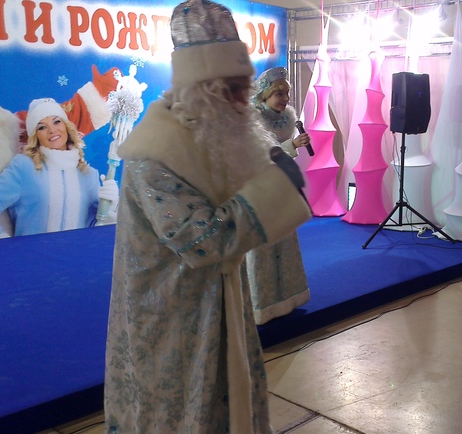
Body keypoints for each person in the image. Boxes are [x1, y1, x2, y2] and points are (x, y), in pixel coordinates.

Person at [102, 1, 311, 433]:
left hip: (217, 302)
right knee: (180, 414)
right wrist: (276, 188)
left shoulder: (211, 132)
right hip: (171, 314)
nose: (241, 102)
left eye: (243, 88)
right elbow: (202, 238)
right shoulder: (155, 152)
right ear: (203, 88)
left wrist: (269, 170)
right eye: (230, 89)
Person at [238, 67, 311, 324]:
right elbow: (258, 156)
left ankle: (287, 299)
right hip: (259, 191)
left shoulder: (287, 119)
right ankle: (261, 304)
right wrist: (291, 146)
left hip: (282, 188)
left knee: (285, 242)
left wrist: (291, 148)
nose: (285, 99)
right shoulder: (251, 120)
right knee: (262, 247)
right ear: (265, 94)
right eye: (279, 93)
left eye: (287, 93)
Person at [0, 98, 118, 238]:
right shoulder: (24, 167)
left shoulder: (89, 175)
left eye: (56, 122)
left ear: (66, 126)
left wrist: (111, 206)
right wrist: (3, 241)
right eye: (42, 127)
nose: (52, 130)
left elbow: (95, 228)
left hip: (77, 251)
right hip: (32, 252)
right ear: (36, 136)